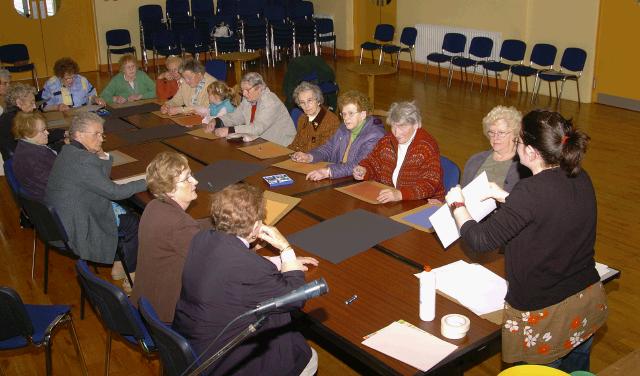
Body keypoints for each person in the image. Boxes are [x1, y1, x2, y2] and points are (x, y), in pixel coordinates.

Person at [445, 110, 607, 372]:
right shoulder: (579, 176)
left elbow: (479, 240)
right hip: (586, 301)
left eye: (519, 142)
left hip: (548, 314)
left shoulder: (531, 190)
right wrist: (504, 196)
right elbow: (549, 212)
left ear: (531, 151)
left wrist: (457, 205)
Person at [173, 183, 319, 376]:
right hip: (226, 359)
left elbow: (233, 265)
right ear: (257, 227)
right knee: (308, 357)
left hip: (195, 341)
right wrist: (286, 249)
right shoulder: (248, 267)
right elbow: (296, 298)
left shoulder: (202, 238)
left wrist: (282, 262)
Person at [45, 112, 146, 287]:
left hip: (62, 218)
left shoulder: (69, 150)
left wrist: (102, 155)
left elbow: (99, 179)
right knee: (132, 223)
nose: (101, 139)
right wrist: (148, 181)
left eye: (102, 134)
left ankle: (118, 265)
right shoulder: (83, 161)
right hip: (77, 224)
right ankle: (131, 276)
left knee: (124, 211)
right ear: (79, 135)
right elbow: (114, 192)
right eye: (96, 134)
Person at [131, 151, 201, 323]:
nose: (195, 181)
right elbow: (213, 260)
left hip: (144, 301)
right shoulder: (180, 224)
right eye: (187, 178)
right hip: (165, 313)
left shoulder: (153, 206)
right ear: (170, 190)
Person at [353, 101, 445, 203]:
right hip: (392, 200)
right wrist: (364, 170)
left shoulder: (426, 147)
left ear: (416, 125)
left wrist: (400, 194)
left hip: (423, 203)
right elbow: (373, 162)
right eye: (393, 126)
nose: (396, 133)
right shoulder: (387, 140)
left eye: (402, 126)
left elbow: (429, 184)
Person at [290, 90, 385, 181]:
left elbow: (358, 165)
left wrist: (328, 172)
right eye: (344, 114)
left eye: (351, 113)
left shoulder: (375, 135)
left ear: (363, 114)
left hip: (362, 183)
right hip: (341, 176)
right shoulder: (344, 128)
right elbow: (328, 148)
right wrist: (309, 157)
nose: (346, 118)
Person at [207, 72, 296, 146]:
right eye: (242, 90)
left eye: (247, 90)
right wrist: (217, 121)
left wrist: (229, 130)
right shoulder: (249, 98)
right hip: (260, 142)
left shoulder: (270, 102)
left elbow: (257, 128)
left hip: (281, 145)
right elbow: (237, 116)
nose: (244, 94)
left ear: (259, 88)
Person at [461, 105, 529, 192]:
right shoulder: (475, 160)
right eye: (492, 132)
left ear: (516, 134)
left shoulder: (523, 168)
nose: (495, 137)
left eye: (501, 132)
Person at [12, 112, 57, 201]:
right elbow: (55, 185)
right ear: (28, 133)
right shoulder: (32, 157)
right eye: (43, 130)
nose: (47, 133)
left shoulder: (26, 145)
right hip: (50, 197)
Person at [288, 81, 340, 152]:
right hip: (299, 158)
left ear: (318, 100)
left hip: (316, 161)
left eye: (310, 100)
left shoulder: (331, 121)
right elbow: (295, 144)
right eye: (302, 102)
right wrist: (287, 153)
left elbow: (322, 153)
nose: (306, 106)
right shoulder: (303, 118)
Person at [41, 57, 106, 112]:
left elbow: (91, 95)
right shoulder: (51, 84)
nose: (71, 81)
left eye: (73, 77)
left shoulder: (82, 80)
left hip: (82, 113)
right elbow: (44, 106)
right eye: (67, 78)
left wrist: (95, 99)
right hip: (61, 115)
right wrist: (57, 107)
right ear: (59, 77)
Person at [0, 83, 37, 160]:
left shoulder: (7, 115)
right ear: (19, 103)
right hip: (21, 161)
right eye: (31, 103)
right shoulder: (18, 119)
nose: (34, 107)